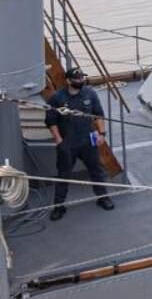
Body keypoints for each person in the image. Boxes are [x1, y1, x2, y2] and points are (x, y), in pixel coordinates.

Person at [45, 67, 113, 220]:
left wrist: (102, 133)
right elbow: (51, 121)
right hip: (68, 143)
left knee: (96, 170)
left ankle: (103, 198)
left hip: (87, 141)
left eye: (82, 78)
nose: (81, 80)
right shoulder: (57, 98)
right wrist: (59, 140)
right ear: (68, 81)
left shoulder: (90, 93)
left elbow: (98, 114)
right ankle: (58, 206)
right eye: (77, 79)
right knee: (64, 175)